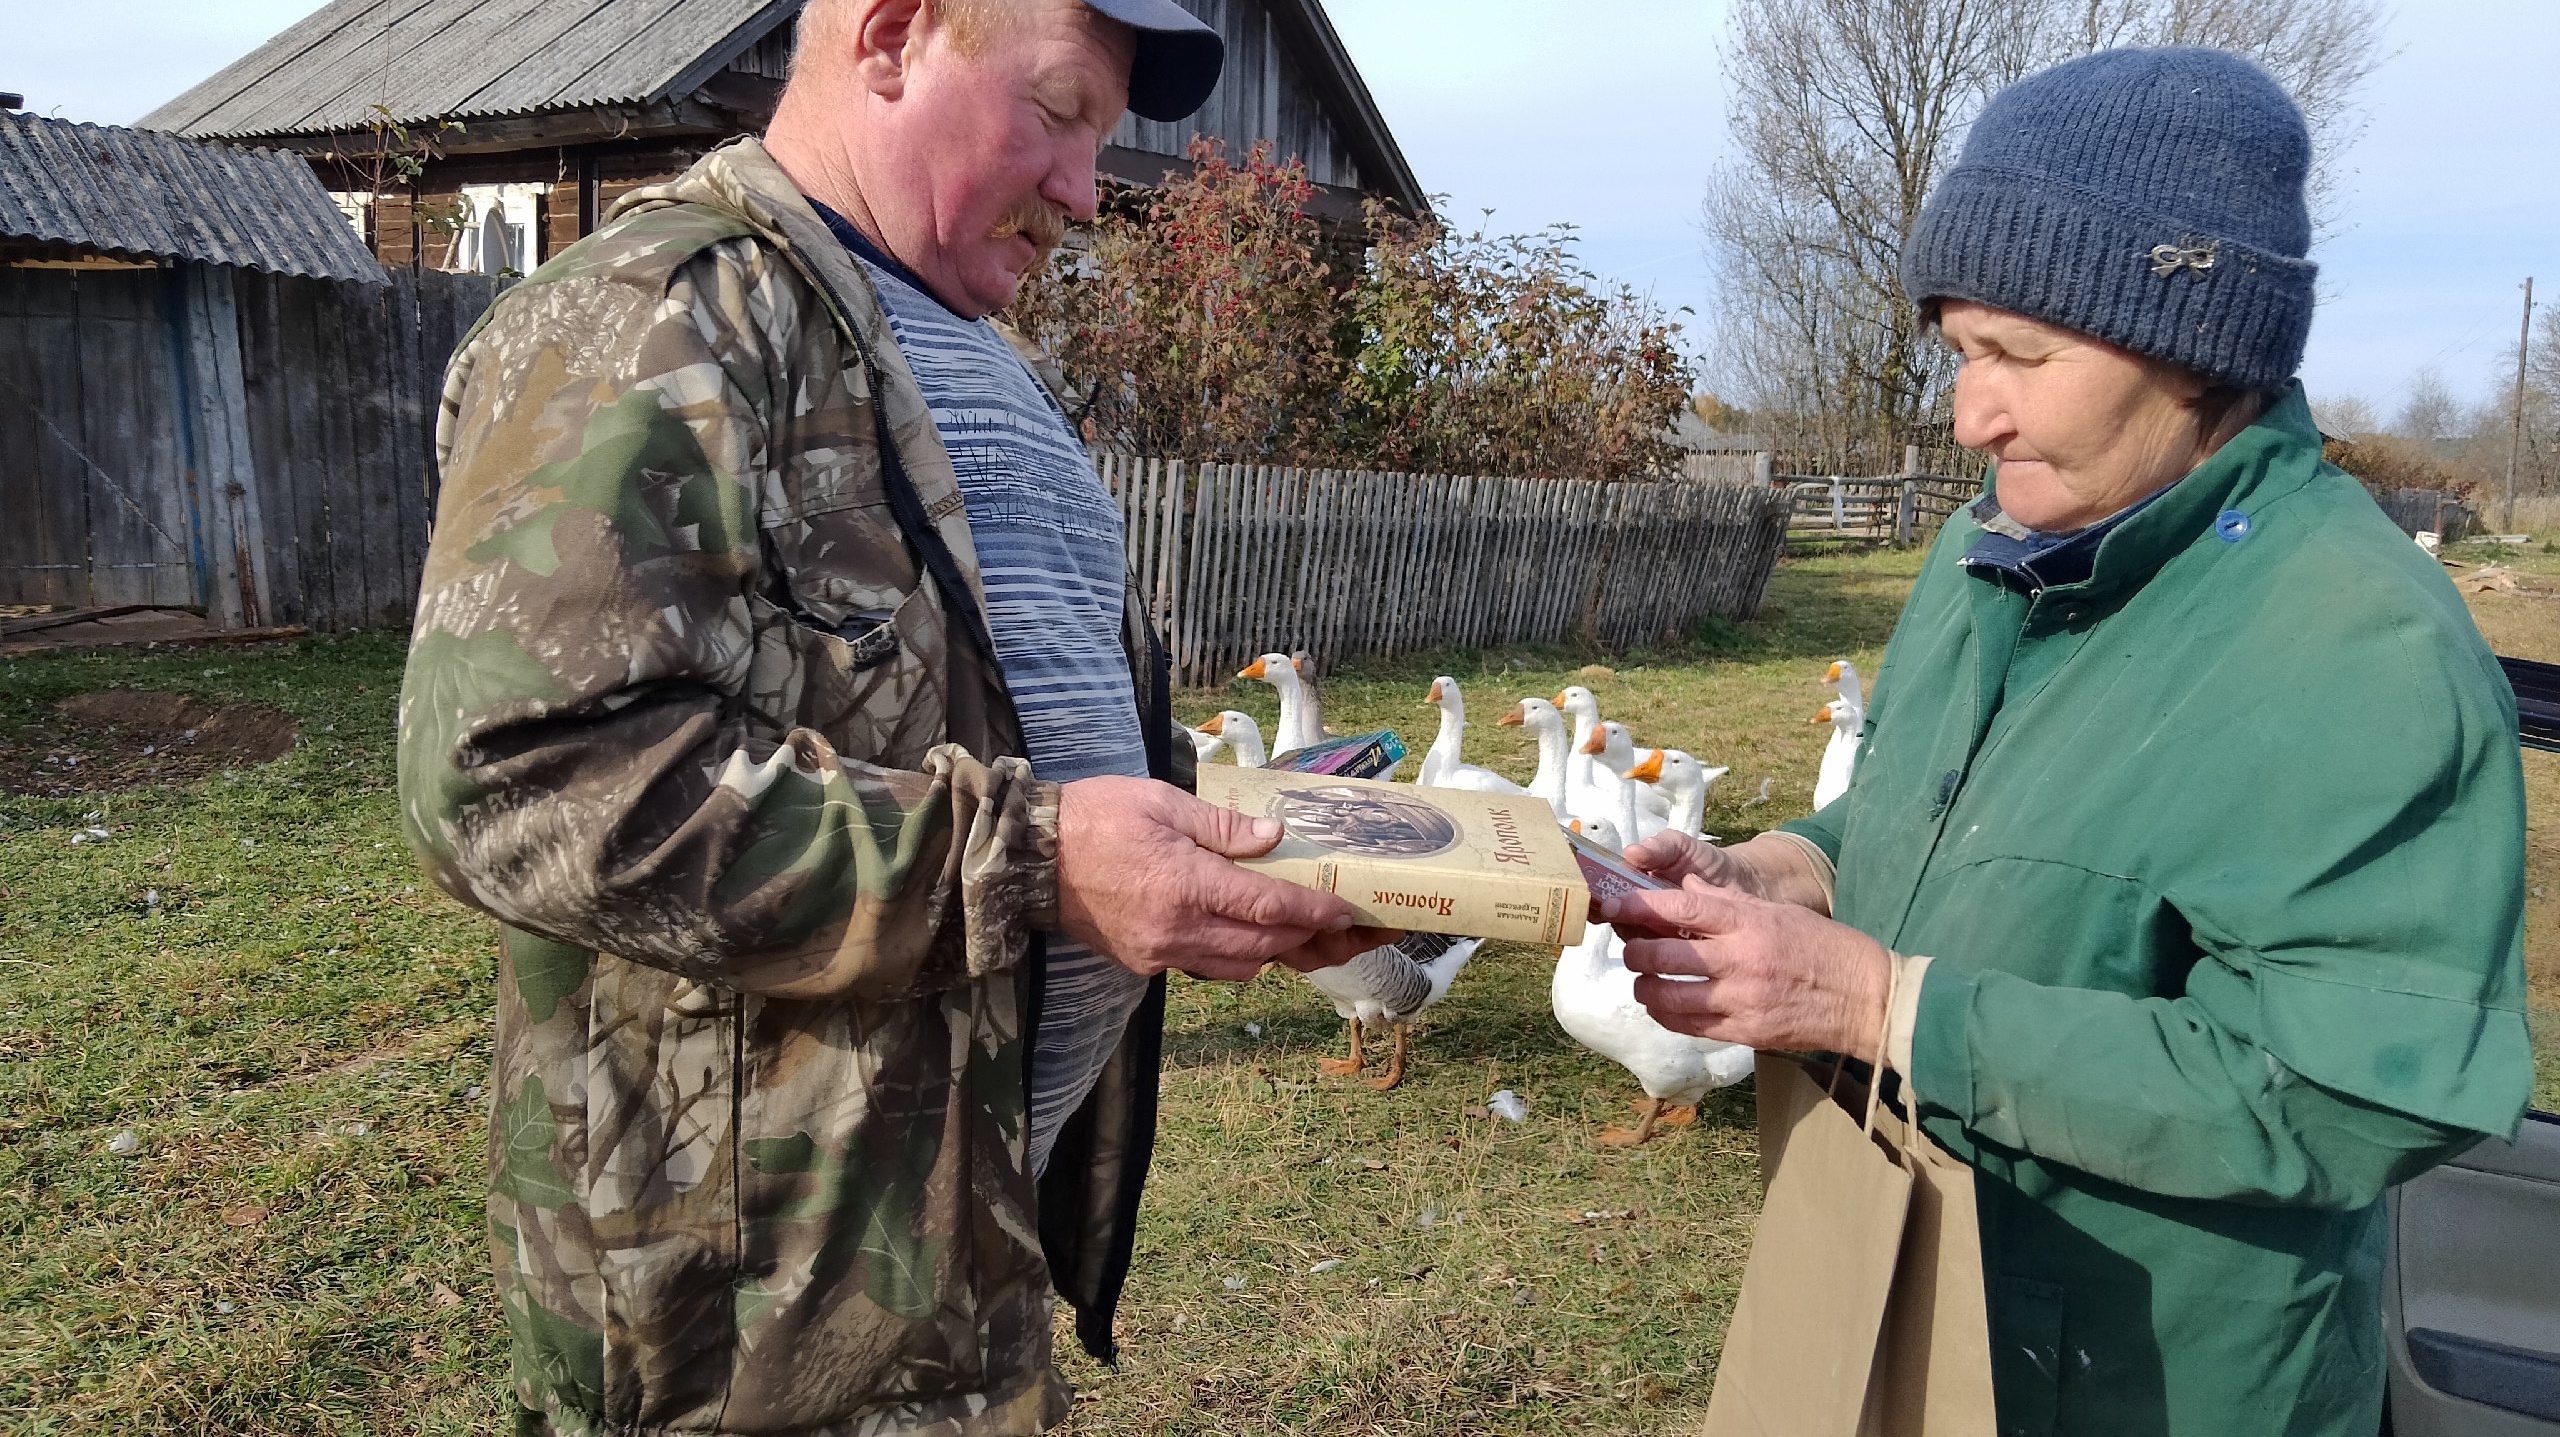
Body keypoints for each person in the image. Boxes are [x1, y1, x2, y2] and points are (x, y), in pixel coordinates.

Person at [394, 1, 1392, 1431]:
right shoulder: (658, 312)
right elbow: (510, 772)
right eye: (1057, 113)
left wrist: (1250, 868)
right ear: (892, 35)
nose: (1082, 190)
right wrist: (1037, 860)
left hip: (954, 1297)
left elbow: (1030, 734)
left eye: (1100, 139)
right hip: (752, 1343)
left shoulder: (979, 358)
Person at [1606, 48, 2532, 1437]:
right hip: (1913, 1310)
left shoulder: (2360, 645)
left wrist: (1881, 1007)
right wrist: (1787, 870)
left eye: (2019, 357)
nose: (1972, 412)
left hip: (2154, 1384)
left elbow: (2343, 1089)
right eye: (1962, 351)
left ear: (2199, 348)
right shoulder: (1992, 552)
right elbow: (1936, 812)